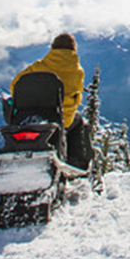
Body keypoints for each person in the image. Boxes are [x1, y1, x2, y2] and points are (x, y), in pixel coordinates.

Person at [12, 33, 88, 169]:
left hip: (29, 116)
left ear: (53, 48)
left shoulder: (39, 66)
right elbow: (77, 97)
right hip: (60, 118)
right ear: (74, 49)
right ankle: (76, 164)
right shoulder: (77, 72)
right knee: (79, 123)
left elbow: (15, 86)